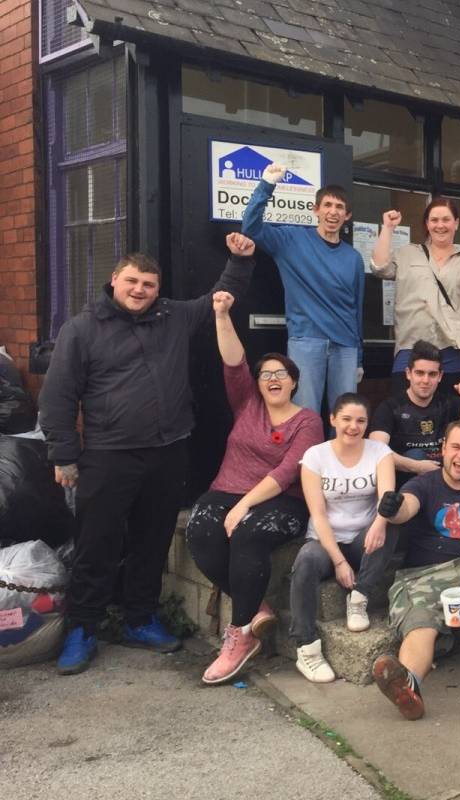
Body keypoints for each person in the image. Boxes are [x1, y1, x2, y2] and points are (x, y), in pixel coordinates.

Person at [44, 234, 256, 675]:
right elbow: (59, 396)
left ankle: (140, 618)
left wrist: (240, 258)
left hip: (167, 452)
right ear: (114, 281)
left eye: (149, 284)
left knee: (152, 540)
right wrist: (64, 456)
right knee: (96, 544)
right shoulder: (82, 329)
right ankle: (83, 627)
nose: (140, 290)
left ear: (158, 290)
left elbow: (221, 297)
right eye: (133, 281)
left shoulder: (173, 317)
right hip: (107, 454)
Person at [186, 290, 324, 685]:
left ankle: (241, 634)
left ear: (294, 382)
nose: (273, 379)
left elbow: (285, 473)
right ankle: (257, 605)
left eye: (282, 374)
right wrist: (221, 313)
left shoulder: (307, 422)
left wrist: (242, 506)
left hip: (283, 500)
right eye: (266, 374)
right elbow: (234, 360)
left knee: (247, 535)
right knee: (199, 531)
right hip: (226, 487)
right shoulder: (246, 402)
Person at [370, 421, 460, 720]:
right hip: (423, 575)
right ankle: (408, 686)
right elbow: (407, 507)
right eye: (456, 447)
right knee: (421, 622)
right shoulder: (425, 483)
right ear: (443, 449)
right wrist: (393, 508)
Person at [290, 394, 397, 683]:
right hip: (326, 541)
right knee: (306, 560)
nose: (353, 426)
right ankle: (306, 647)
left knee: (392, 524)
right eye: (347, 419)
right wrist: (338, 561)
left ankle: (359, 597)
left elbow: (387, 497)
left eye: (361, 420)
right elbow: (319, 515)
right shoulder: (315, 456)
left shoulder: (380, 452)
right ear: (333, 419)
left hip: (364, 537)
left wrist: (380, 522)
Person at [242, 163, 363, 412]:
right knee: (305, 413)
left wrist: (359, 357)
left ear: (347, 216)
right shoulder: (291, 240)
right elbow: (250, 227)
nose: (333, 212)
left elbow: (357, 309)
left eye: (339, 207)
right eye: (327, 205)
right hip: (306, 342)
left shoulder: (353, 257)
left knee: (346, 415)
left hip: (346, 347)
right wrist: (266, 185)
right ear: (315, 209)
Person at [369, 199, 460, 396]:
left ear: (456, 223)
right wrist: (388, 228)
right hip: (410, 346)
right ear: (427, 224)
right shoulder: (407, 253)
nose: (440, 225)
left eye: (446, 219)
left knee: (450, 416)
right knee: (405, 414)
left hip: (450, 349)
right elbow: (379, 267)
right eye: (434, 220)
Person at [366, 339, 460, 485]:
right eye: (420, 373)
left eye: (432, 374)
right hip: (410, 478)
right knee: (415, 455)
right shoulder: (390, 407)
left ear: (440, 376)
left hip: (447, 470)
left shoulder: (448, 402)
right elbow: (376, 450)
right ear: (408, 373)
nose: (425, 380)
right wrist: (416, 466)